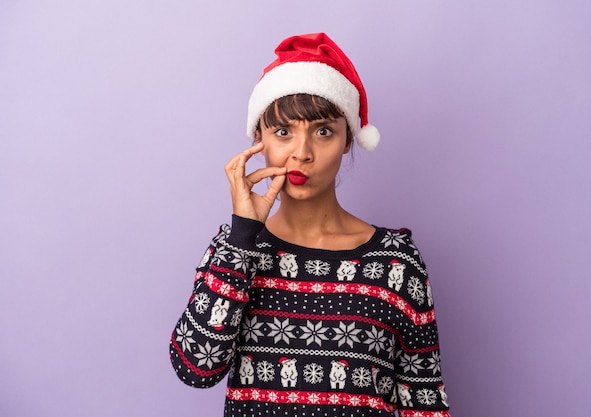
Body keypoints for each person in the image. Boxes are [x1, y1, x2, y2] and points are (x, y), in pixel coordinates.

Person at [170, 32, 451, 417]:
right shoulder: (235, 249)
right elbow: (196, 368)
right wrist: (241, 238)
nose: (302, 153)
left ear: (348, 139)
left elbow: (425, 401)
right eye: (283, 132)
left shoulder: (395, 262)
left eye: (323, 132)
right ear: (259, 138)